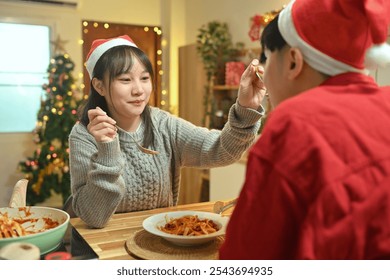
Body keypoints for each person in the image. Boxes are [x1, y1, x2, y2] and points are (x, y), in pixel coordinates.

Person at [219, 0, 390, 259]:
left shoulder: (296, 122)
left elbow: (246, 258)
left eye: (266, 56)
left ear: (293, 61)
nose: (263, 73)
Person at [68, 35, 266, 228]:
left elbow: (220, 150)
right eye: (125, 79)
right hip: (106, 248)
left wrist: (245, 107)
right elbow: (93, 217)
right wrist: (107, 149)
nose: (139, 90)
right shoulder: (84, 135)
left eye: (144, 78)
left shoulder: (162, 124)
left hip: (161, 240)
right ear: (99, 86)